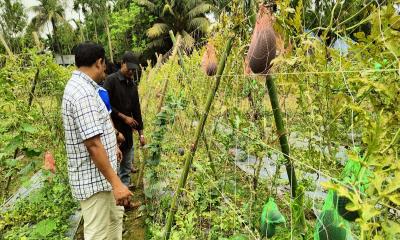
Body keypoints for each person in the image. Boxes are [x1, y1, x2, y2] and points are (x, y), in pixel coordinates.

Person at [61, 42, 132, 240]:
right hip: (95, 182)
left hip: (103, 178)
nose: (106, 69)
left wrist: (112, 147)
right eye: (105, 64)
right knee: (99, 234)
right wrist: (117, 184)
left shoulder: (84, 88)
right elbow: (92, 145)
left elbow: (97, 132)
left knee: (113, 223)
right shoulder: (82, 94)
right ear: (99, 62)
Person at [103, 51, 145, 189]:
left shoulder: (132, 85)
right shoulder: (111, 81)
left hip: (127, 132)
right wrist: (123, 117)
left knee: (126, 164)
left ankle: (125, 193)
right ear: (122, 64)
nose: (131, 72)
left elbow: (136, 110)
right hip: (112, 129)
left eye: (134, 70)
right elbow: (105, 106)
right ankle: (116, 193)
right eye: (129, 68)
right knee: (113, 164)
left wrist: (141, 133)